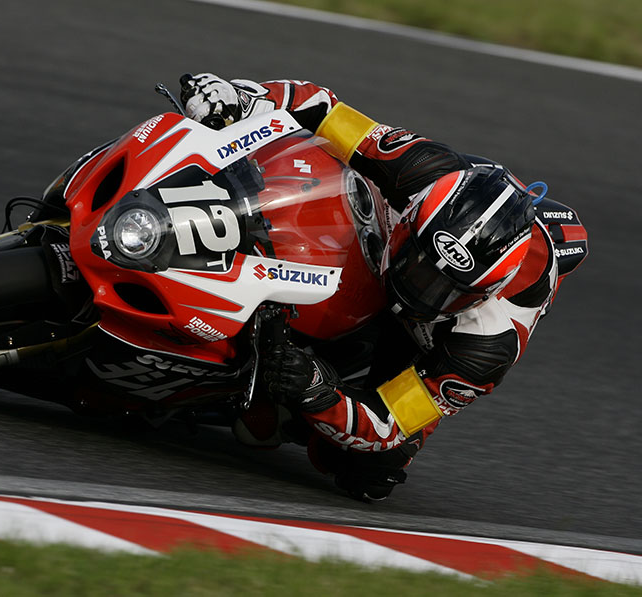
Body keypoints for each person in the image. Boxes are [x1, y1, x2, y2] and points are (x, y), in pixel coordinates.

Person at [180, 73, 588, 501]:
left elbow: (389, 424)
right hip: (379, 240)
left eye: (444, 290)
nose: (417, 289)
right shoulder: (423, 169)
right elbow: (321, 108)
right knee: (306, 161)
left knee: (369, 472)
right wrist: (241, 98)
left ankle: (284, 416)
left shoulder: (485, 347)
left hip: (423, 339)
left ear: (485, 291)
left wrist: (317, 393)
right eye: (419, 264)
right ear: (415, 215)